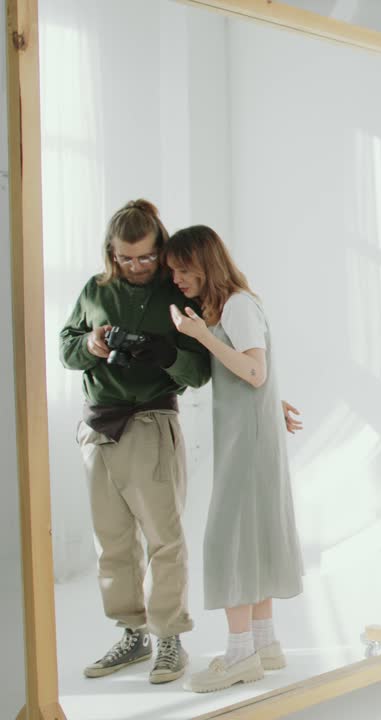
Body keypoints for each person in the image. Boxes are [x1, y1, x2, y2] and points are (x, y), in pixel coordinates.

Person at [59, 199, 211, 685]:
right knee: (113, 542)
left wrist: (164, 353)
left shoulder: (177, 291)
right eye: (127, 258)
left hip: (150, 422)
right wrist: (91, 344)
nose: (137, 267)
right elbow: (66, 346)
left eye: (146, 257)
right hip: (98, 426)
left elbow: (199, 371)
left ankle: (170, 638)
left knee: (164, 539)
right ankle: (133, 633)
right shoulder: (95, 289)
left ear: (159, 248)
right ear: (112, 253)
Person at [165, 225, 305, 693]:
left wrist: (201, 336)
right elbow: (259, 375)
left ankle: (240, 652)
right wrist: (274, 404)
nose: (178, 279)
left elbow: (253, 370)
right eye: (174, 271)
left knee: (228, 541)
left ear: (205, 264)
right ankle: (265, 644)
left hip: (245, 443)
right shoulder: (237, 305)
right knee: (253, 536)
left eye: (183, 269)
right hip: (250, 436)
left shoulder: (238, 306)